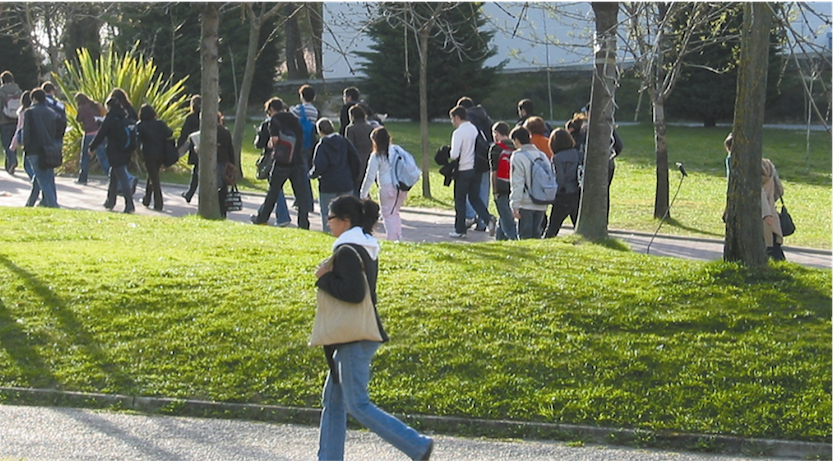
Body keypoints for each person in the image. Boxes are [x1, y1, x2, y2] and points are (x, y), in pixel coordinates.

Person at [314, 194, 434, 461]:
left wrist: (324, 279)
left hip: (353, 335)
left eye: (331, 217)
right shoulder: (364, 246)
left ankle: (417, 445)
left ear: (345, 221)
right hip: (358, 333)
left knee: (357, 404)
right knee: (333, 403)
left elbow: (355, 293)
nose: (328, 221)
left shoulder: (346, 250)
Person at [250, 97, 311, 229]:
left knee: (273, 191)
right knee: (300, 194)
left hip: (282, 161)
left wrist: (271, 143)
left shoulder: (274, 120)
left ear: (271, 109)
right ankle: (303, 223)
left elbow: (275, 139)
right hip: (297, 159)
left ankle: (262, 217)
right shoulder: (294, 119)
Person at [447, 105, 495, 239]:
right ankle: (487, 218)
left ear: (457, 118)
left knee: (460, 200)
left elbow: (455, 154)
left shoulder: (458, 133)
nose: (452, 122)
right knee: (474, 197)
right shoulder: (474, 129)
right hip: (475, 168)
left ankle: (460, 229)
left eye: (452, 119)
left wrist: (449, 152)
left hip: (463, 169)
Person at [310, 118, 360, 233]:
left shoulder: (322, 145)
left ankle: (329, 232)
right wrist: (353, 176)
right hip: (345, 181)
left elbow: (320, 165)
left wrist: (312, 174)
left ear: (320, 131)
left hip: (329, 183)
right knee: (347, 212)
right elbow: (355, 159)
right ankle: (348, 232)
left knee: (328, 211)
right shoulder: (344, 141)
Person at [360, 127, 407, 241]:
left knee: (387, 215)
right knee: (394, 213)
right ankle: (398, 237)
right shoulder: (396, 150)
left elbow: (370, 176)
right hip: (401, 186)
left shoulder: (376, 156)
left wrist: (363, 193)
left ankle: (392, 239)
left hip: (387, 187)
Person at [89, 97, 135, 213]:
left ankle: (129, 204)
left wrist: (91, 147)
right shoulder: (125, 117)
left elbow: (101, 135)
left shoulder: (110, 119)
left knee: (122, 177)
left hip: (114, 151)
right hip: (126, 150)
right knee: (113, 175)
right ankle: (110, 201)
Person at [457, 96, 493, 230]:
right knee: (483, 191)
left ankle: (470, 216)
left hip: (473, 160)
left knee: (468, 192)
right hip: (487, 158)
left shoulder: (469, 121)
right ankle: (483, 221)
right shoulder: (486, 118)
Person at [22, 89, 61, 208]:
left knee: (41, 178)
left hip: (35, 148)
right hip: (48, 148)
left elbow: (27, 132)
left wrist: (25, 146)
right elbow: (55, 131)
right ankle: (30, 203)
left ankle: (53, 204)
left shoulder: (29, 112)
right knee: (45, 177)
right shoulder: (51, 113)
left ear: (34, 99)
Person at [509, 126, 548, 239]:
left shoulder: (518, 156)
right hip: (541, 200)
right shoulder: (542, 155)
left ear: (516, 140)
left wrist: (514, 204)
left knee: (525, 236)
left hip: (526, 202)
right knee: (536, 234)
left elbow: (517, 182)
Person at [544, 128, 582, 238]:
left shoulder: (557, 158)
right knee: (577, 224)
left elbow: (559, 179)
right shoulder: (577, 153)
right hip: (576, 192)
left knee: (553, 227)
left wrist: (553, 194)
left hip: (563, 194)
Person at [136, 104, 173, 211]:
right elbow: (169, 133)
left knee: (154, 178)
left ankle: (159, 203)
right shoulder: (160, 124)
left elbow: (137, 139)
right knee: (152, 175)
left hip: (148, 154)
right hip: (161, 153)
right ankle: (147, 199)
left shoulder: (141, 125)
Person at [290, 84, 318, 212]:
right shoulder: (315, 111)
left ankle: (306, 202)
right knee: (304, 172)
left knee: (301, 174)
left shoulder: (298, 109)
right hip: (309, 144)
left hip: (299, 144)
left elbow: (290, 119)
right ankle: (302, 200)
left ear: (301, 96)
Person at [108, 87, 139, 196]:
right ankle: (114, 194)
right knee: (120, 167)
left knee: (118, 167)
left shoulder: (117, 111)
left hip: (118, 142)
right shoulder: (130, 108)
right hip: (130, 141)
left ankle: (129, 180)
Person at [489, 122, 517, 240]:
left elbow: (494, 171)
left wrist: (494, 190)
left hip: (501, 186)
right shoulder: (515, 146)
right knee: (504, 214)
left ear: (496, 133)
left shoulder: (496, 148)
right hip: (514, 184)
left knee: (507, 219)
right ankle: (500, 240)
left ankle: (514, 240)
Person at [75, 92, 108, 184]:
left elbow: (78, 119)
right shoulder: (95, 105)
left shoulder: (82, 108)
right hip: (99, 133)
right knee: (103, 157)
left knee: (85, 156)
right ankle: (111, 176)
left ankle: (82, 178)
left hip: (89, 134)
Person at [344, 104, 374, 195]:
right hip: (369, 157)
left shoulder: (350, 129)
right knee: (365, 187)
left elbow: (349, 146)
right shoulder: (370, 127)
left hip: (356, 160)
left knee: (356, 186)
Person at [761, 158, 786, 261]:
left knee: (765, 243)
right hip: (771, 208)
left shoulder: (748, 167)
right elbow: (779, 189)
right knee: (774, 241)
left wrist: (766, 214)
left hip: (760, 211)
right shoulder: (769, 165)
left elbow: (759, 194)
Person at [178, 95, 201, 203]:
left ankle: (189, 193)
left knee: (196, 170)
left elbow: (184, 133)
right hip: (208, 145)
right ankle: (190, 193)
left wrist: (178, 146)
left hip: (196, 145)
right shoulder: (208, 116)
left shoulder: (190, 118)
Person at [0, 71, 22, 174]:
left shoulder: (1, 92)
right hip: (16, 120)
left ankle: (12, 161)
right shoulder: (19, 91)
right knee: (14, 143)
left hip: (4, 121)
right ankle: (9, 166)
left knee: (6, 144)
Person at [9, 90, 33, 181]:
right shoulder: (33, 111)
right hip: (34, 138)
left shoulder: (22, 112)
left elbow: (19, 128)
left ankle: (35, 180)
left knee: (26, 164)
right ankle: (36, 181)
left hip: (25, 137)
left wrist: (13, 144)